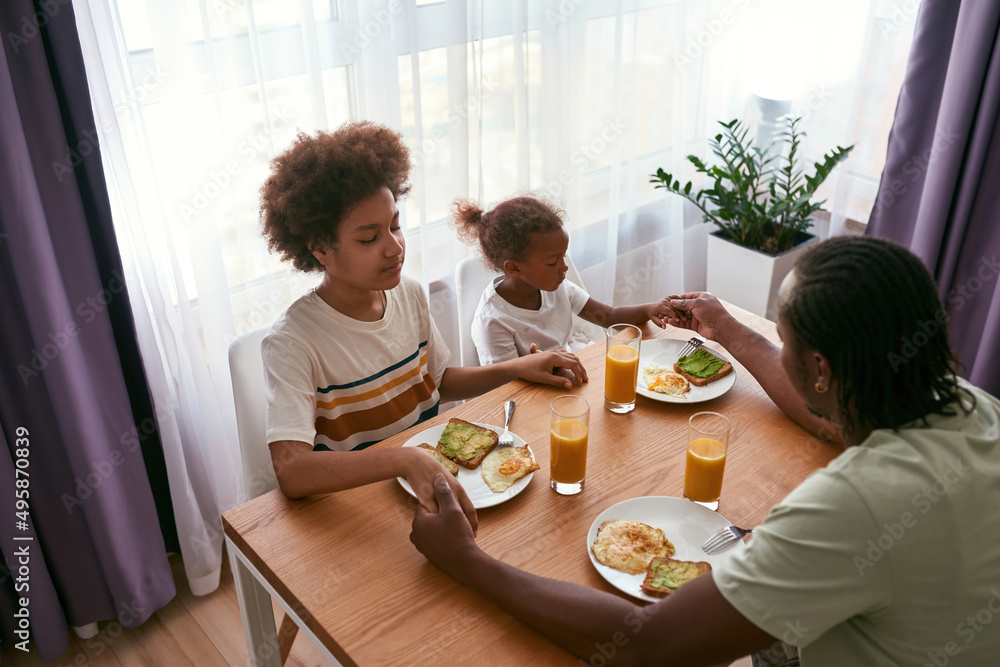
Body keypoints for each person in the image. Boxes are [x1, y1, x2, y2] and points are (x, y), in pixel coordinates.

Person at [409, 235, 1000, 666]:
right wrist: (733, 330)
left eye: (783, 338)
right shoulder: (966, 406)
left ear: (819, 369)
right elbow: (827, 424)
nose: (778, 347)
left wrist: (466, 561)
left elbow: (651, 646)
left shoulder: (856, 505)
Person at [258, 121, 588, 524]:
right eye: (369, 238)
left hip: (429, 488)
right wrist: (403, 460)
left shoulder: (408, 293)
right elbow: (292, 471)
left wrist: (517, 368)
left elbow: (437, 381)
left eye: (395, 225)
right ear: (320, 248)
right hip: (359, 510)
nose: (394, 246)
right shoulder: (294, 342)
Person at [451, 196, 680, 364]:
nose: (564, 267)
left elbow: (608, 317)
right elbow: (505, 388)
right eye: (552, 262)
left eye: (564, 255)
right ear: (514, 267)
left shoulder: (556, 288)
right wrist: (546, 367)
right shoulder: (493, 321)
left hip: (572, 369)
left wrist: (649, 309)